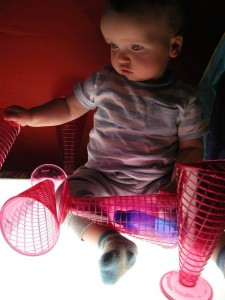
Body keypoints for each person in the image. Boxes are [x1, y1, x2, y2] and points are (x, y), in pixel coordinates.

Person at [4, 0, 209, 284]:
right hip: (99, 176)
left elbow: (191, 148)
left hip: (154, 186)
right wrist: (31, 115)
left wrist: (176, 185)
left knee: (193, 220)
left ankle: (212, 253)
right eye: (114, 46)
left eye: (136, 48)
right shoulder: (104, 81)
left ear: (173, 47)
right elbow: (67, 107)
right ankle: (112, 244)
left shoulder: (184, 100)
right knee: (65, 199)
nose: (122, 58)